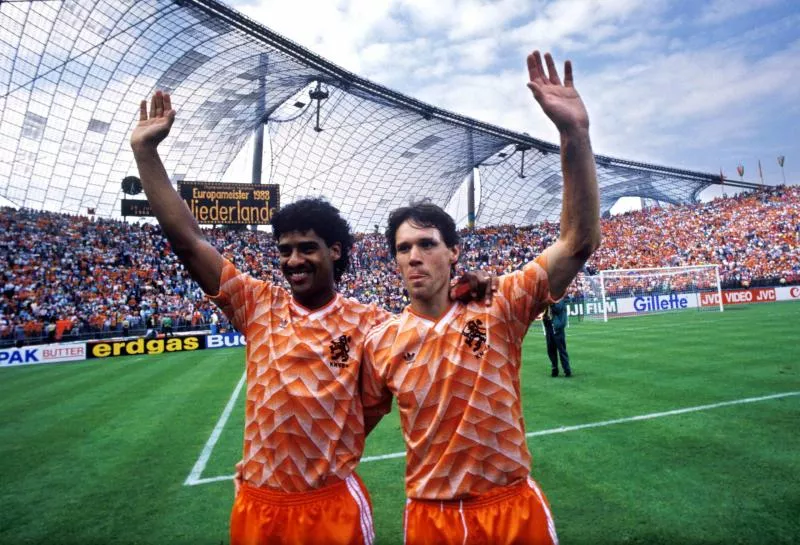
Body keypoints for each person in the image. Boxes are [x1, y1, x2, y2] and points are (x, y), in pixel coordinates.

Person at [130, 91, 492, 545]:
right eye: (284, 251)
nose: (293, 260)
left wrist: (476, 285)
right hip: (258, 506)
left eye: (306, 248)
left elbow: (434, 328)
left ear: (334, 251)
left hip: (330, 507)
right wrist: (146, 152)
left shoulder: (373, 325)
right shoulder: (257, 304)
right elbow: (189, 242)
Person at [361, 50, 601, 544]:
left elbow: (578, 241)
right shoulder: (381, 342)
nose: (414, 256)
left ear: (453, 252)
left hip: (510, 509)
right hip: (431, 519)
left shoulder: (501, 305)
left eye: (427, 244)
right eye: (403, 248)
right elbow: (347, 431)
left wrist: (573, 135)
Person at [543, 299, 571, 377]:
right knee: (551, 349)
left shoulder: (560, 299)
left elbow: (558, 308)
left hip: (557, 326)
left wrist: (550, 302)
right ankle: (554, 369)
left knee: (561, 349)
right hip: (548, 325)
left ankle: (567, 370)